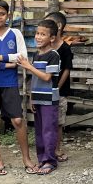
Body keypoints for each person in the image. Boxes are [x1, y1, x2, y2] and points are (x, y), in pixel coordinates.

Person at [0, 0, 36, 175]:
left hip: (10, 83)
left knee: (17, 120)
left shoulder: (15, 33)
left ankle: (26, 158)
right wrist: (7, 63)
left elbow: (23, 57)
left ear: (7, 15)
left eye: (2, 13)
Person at [17, 20, 61, 175]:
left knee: (49, 130)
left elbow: (47, 77)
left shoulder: (53, 55)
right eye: (37, 33)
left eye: (43, 34)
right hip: (38, 98)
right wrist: (31, 97)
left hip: (49, 99)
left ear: (52, 38)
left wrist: (29, 66)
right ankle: (42, 159)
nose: (38, 37)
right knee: (39, 131)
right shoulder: (36, 54)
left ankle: (50, 161)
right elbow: (34, 78)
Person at [46, 9, 72, 163]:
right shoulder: (45, 47)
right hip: (44, 89)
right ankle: (47, 148)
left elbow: (66, 70)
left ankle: (57, 148)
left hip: (59, 91)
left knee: (58, 122)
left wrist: (56, 87)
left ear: (59, 26)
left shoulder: (65, 48)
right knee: (46, 120)